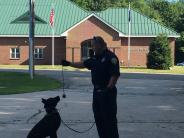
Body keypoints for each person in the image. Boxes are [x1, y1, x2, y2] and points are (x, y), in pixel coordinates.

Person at [61, 36, 120, 138]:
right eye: (91, 46)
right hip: (96, 92)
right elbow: (83, 64)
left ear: (101, 45)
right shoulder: (94, 58)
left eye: (93, 46)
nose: (92, 48)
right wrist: (69, 64)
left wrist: (108, 89)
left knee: (109, 121)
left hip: (107, 93)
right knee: (99, 119)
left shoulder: (111, 57)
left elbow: (114, 75)